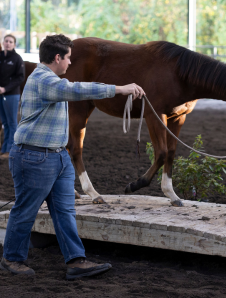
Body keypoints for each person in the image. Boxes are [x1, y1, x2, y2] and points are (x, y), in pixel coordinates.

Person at [0, 34, 145, 279]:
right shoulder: (44, 80)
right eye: (68, 58)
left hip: (57, 157)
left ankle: (76, 260)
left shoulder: (50, 78)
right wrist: (120, 88)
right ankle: (12, 258)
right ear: (57, 58)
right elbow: (77, 89)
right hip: (34, 157)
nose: (70, 63)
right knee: (25, 211)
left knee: (65, 211)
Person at [0, 34, 25, 158]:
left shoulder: (17, 59)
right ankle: (4, 148)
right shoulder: (0, 57)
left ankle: (11, 150)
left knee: (12, 123)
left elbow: (20, 77)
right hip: (0, 95)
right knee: (4, 122)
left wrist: (5, 88)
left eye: (11, 41)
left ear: (14, 44)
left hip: (11, 95)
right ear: (3, 42)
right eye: (6, 41)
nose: (8, 43)